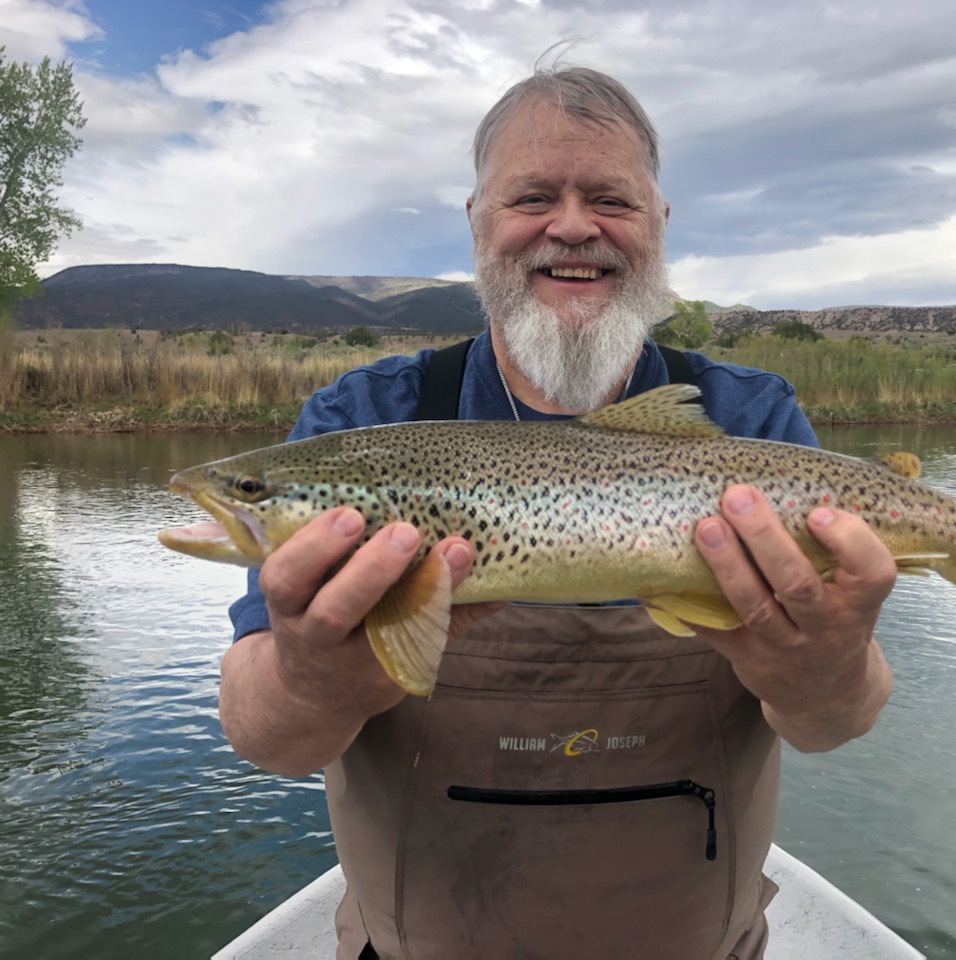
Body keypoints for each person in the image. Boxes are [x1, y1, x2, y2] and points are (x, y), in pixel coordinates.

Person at [219, 62, 895, 960]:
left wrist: (824, 674)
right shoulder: (363, 423)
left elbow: (833, 725)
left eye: (610, 199)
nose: (573, 226)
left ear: (659, 224)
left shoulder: (751, 420)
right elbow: (267, 740)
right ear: (475, 223)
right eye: (532, 195)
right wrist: (310, 679)